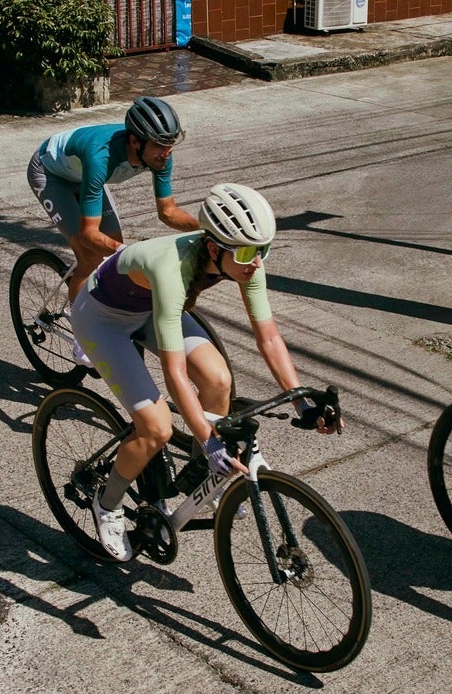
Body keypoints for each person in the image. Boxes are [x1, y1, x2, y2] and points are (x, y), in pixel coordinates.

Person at [70, 181, 338, 560]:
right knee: (157, 427)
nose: (257, 261)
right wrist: (210, 440)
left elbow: (269, 339)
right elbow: (174, 370)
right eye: (248, 251)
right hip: (103, 321)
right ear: (214, 248)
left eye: (264, 249)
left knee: (218, 381)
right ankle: (107, 503)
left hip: (152, 310)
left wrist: (302, 403)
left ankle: (201, 480)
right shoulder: (171, 268)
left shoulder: (243, 261)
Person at [27, 97, 199, 301]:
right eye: (160, 146)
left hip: (85, 175)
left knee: (114, 253)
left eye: (170, 145)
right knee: (90, 255)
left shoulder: (160, 156)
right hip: (49, 173)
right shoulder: (101, 157)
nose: (167, 153)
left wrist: (207, 229)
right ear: (135, 142)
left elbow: (168, 212)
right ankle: (80, 329)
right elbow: (88, 234)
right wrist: (130, 253)